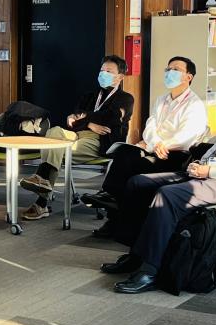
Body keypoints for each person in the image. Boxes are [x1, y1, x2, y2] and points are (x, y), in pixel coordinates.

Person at [101, 68, 216, 295]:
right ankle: (136, 255)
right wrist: (199, 164)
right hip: (209, 175)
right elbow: (214, 151)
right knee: (138, 183)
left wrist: (211, 170)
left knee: (167, 195)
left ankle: (150, 270)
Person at [83, 56, 208, 237]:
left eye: (175, 69)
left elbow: (187, 136)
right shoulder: (161, 100)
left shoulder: (194, 104)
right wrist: (155, 143)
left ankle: (116, 216)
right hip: (155, 148)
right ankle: (110, 197)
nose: (169, 72)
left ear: (189, 77)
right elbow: (150, 127)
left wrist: (161, 145)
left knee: (134, 169)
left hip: (174, 155)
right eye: (168, 69)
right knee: (125, 151)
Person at [19, 55, 135, 220]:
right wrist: (89, 123)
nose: (103, 73)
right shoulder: (89, 95)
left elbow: (112, 117)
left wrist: (84, 119)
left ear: (120, 77)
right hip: (77, 134)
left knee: (57, 149)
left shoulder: (126, 99)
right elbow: (72, 120)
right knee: (54, 132)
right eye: (102, 70)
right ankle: (42, 181)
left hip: (100, 141)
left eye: (109, 71)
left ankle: (41, 202)